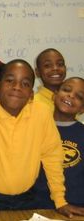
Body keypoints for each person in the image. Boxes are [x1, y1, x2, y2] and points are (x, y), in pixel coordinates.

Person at [0, 59, 84, 221]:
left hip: (27, 200)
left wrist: (60, 200)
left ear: (31, 95)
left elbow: (52, 158)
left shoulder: (41, 114)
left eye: (25, 83)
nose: (16, 87)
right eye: (10, 80)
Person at [34, 77, 84, 208]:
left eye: (79, 97)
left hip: (77, 206)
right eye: (66, 90)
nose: (70, 95)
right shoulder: (35, 128)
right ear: (54, 95)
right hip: (37, 205)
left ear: (82, 109)